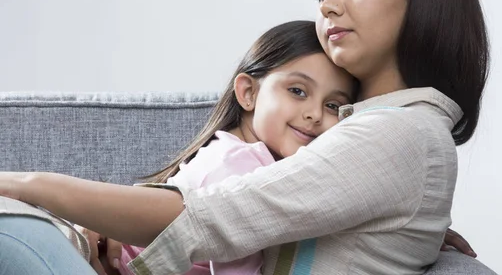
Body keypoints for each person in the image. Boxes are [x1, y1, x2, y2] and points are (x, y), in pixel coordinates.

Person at [0, 0, 488, 274]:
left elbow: (214, 216)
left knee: (13, 230)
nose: (330, 6)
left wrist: (30, 185)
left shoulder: (398, 135)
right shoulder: (376, 134)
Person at [1, 20, 357, 275]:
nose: (313, 115)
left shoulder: (233, 152)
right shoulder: (244, 166)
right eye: (297, 91)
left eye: (332, 106)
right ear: (248, 92)